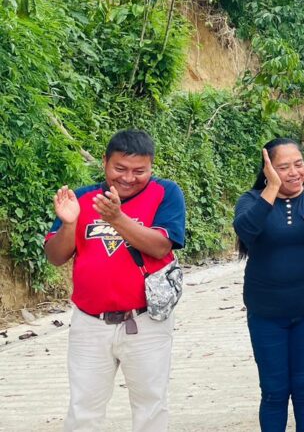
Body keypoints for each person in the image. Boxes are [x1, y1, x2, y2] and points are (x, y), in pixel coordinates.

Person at [45, 130, 186, 432]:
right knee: (83, 410)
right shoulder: (82, 198)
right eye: (120, 168)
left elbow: (161, 246)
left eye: (140, 171)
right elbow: (56, 256)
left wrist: (117, 218)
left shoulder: (166, 193)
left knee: (151, 406)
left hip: (146, 320)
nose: (129, 178)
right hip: (89, 323)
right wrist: (69, 224)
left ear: (152, 167)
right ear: (105, 161)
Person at [232, 139, 304, 431]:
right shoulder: (252, 200)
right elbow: (247, 229)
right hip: (266, 312)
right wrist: (271, 188)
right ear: (268, 169)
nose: (293, 172)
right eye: (283, 167)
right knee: (274, 390)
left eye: (298, 164)